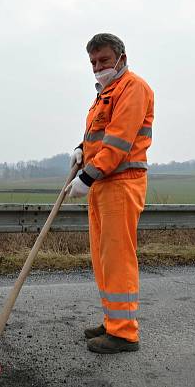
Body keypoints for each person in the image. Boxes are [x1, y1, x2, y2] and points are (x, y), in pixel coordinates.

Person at [65, 33, 154, 354]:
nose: (98, 67)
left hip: (121, 181)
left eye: (103, 60)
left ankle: (125, 333)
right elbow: (98, 134)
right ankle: (112, 321)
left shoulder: (134, 88)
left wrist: (88, 175)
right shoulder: (105, 93)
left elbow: (119, 140)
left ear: (121, 57)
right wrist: (80, 149)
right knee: (103, 258)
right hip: (103, 183)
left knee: (117, 257)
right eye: (93, 63)